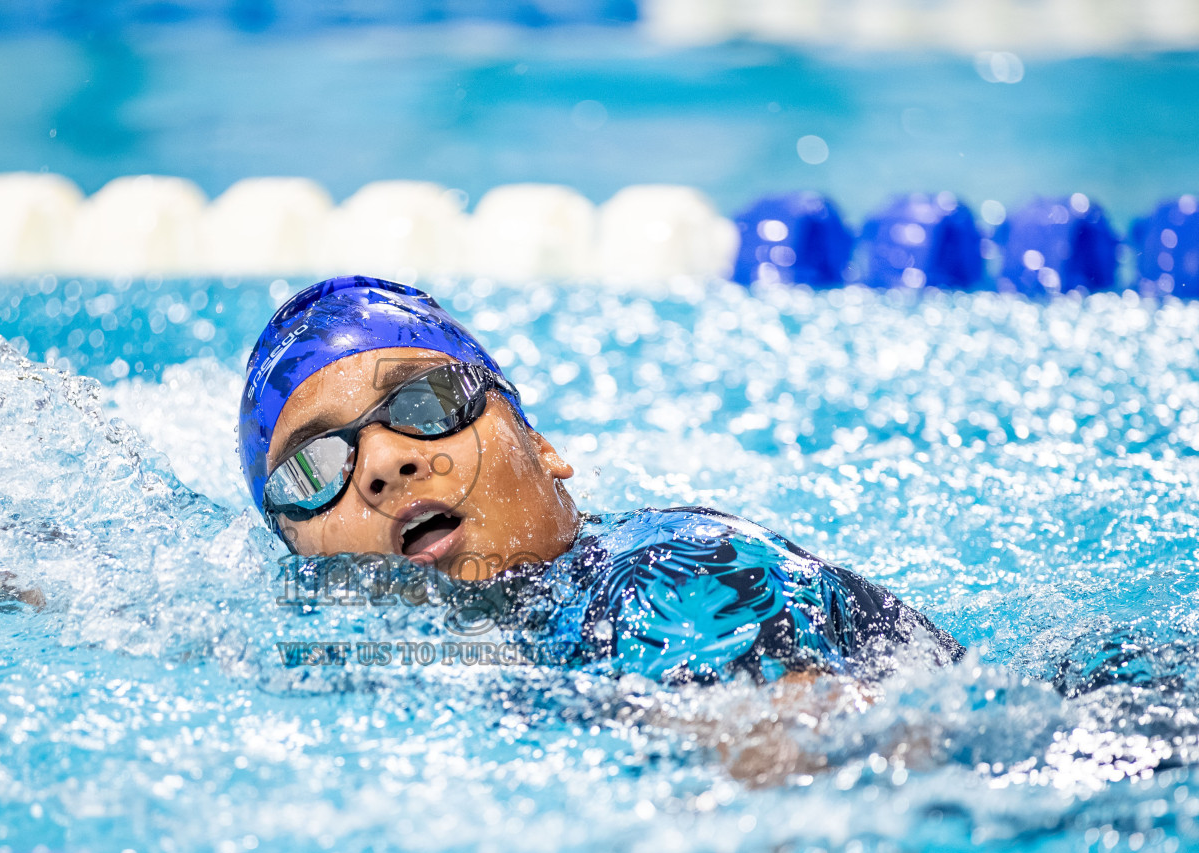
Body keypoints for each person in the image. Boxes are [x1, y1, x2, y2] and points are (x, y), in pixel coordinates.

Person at [240, 276, 963, 688]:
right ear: (298, 554)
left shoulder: (671, 575)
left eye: (426, 404)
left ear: (541, 445)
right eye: (314, 468)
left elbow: (802, 777)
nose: (382, 464)